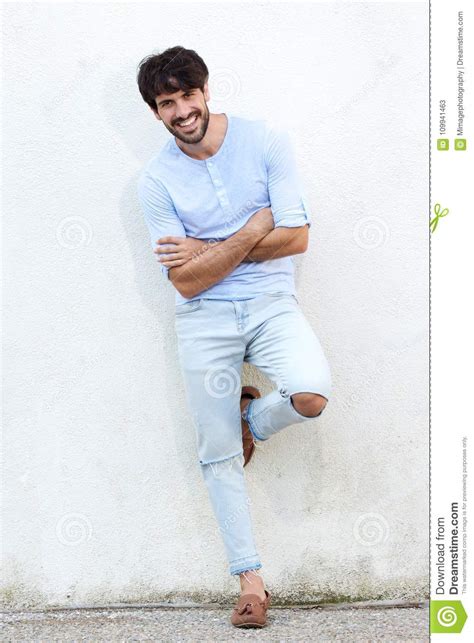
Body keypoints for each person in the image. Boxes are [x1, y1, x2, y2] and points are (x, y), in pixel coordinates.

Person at [136, 46, 331, 629]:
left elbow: (297, 239)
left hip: (272, 305)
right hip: (206, 320)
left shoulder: (265, 141)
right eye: (166, 103)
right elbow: (188, 282)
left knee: (311, 394)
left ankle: (254, 419)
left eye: (186, 95)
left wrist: (207, 247)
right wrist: (251, 229)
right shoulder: (155, 181)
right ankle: (249, 581)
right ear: (156, 113)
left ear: (205, 92)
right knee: (215, 452)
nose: (180, 111)